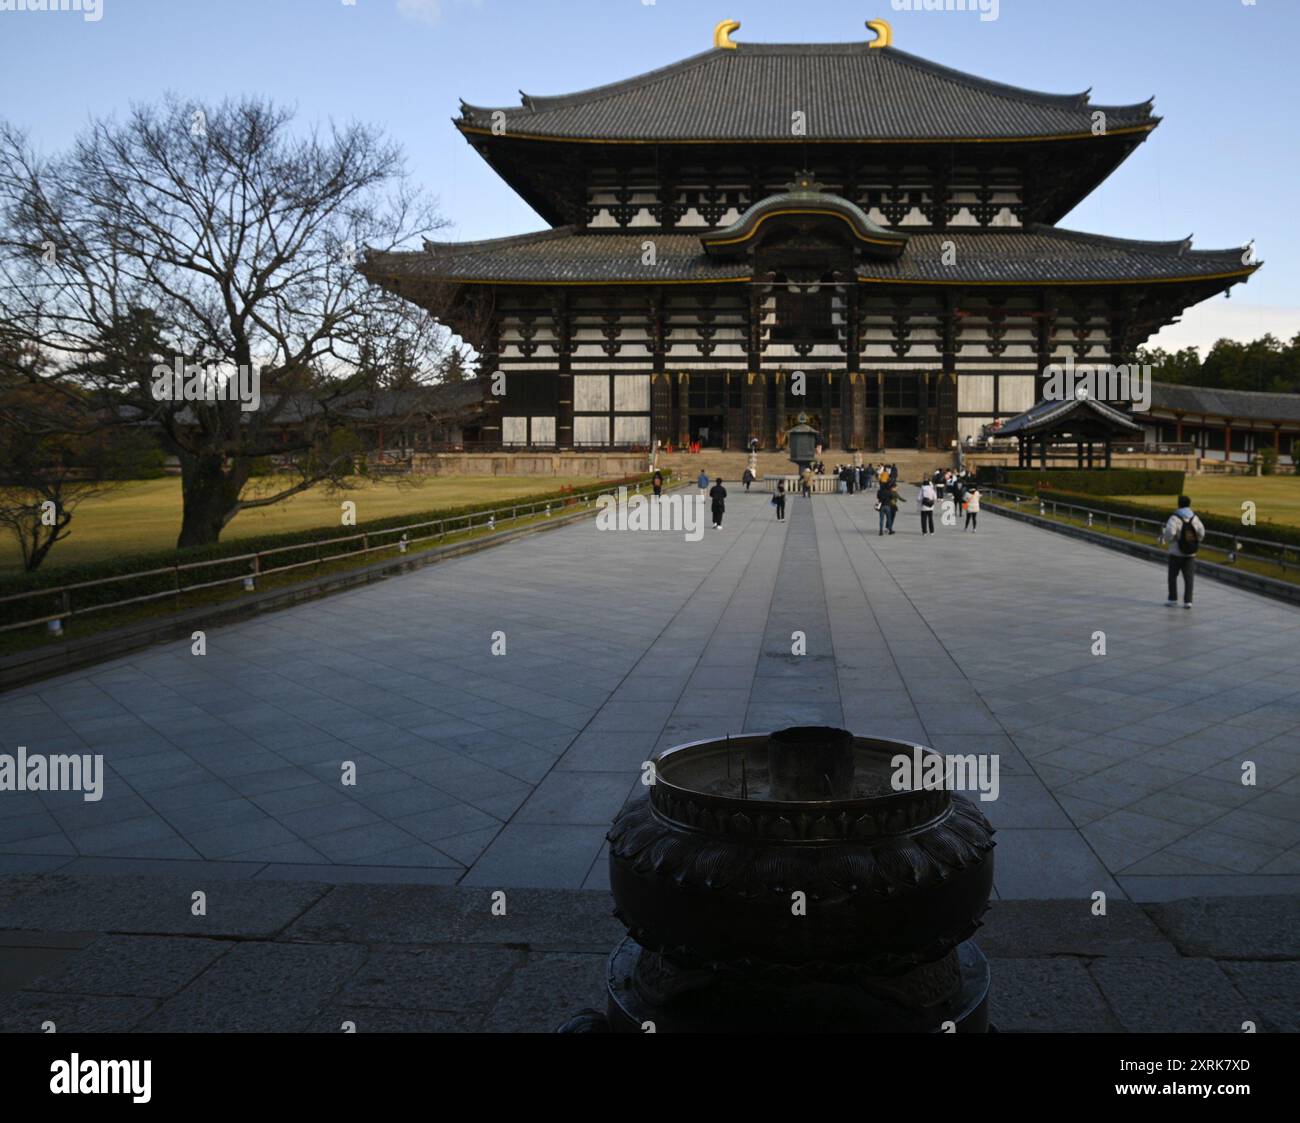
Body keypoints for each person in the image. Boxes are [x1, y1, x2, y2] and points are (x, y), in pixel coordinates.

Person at [1160, 495, 1206, 608]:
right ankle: (1188, 601)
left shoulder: (1174, 517)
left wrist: (1169, 540)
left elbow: (1170, 533)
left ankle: (1172, 599)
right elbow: (1202, 533)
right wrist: (1195, 540)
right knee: (1189, 578)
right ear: (1189, 504)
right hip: (1190, 552)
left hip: (1176, 552)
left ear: (1178, 504)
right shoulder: (1195, 518)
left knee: (1172, 576)